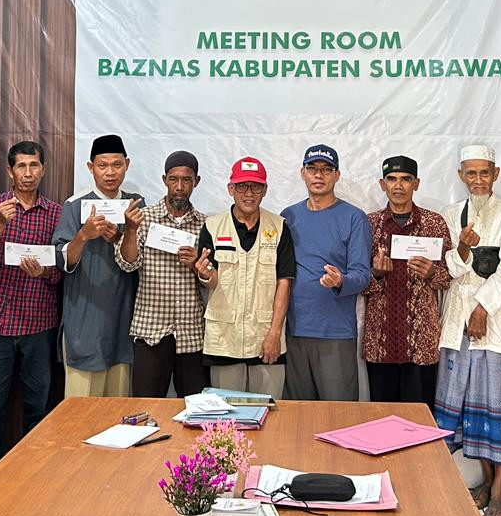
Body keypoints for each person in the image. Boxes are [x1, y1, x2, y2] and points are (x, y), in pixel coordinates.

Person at [433, 156, 501, 516]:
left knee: (496, 405)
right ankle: (485, 482)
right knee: (470, 404)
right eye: (471, 173)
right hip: (458, 320)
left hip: (495, 320)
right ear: (461, 176)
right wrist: (463, 248)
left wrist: (483, 307)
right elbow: (451, 269)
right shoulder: (451, 213)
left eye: (485, 172)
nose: (478, 179)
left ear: (495, 174)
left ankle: (500, 490)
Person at [0, 140, 62, 466]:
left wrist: (44, 272)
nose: (28, 173)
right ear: (10, 171)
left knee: (39, 408)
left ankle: (34, 476)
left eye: (34, 165)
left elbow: (62, 269)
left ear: (43, 169)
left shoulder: (55, 213)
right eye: (21, 166)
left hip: (39, 325)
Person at [195, 157, 296, 397]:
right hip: (224, 341)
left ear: (265, 190)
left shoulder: (279, 227)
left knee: (269, 412)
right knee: (226, 414)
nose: (248, 193)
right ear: (231, 189)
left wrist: (274, 334)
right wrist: (205, 275)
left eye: (256, 186)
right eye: (241, 186)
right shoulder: (212, 226)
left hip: (266, 340)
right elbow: (211, 279)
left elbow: (284, 283)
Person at [279, 144, 371, 401]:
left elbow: (362, 275)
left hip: (335, 332)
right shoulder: (288, 216)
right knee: (298, 413)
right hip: (295, 330)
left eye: (326, 169)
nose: (318, 175)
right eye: (312, 168)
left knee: (338, 413)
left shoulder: (354, 218)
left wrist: (341, 280)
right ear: (303, 173)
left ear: (337, 175)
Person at [53, 134, 142, 397]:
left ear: (127, 165)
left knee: (118, 407)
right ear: (91, 168)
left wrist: (122, 235)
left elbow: (138, 260)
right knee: (81, 410)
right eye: (102, 165)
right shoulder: (75, 205)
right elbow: (62, 260)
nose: (110, 172)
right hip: (85, 320)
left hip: (123, 320)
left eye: (116, 165)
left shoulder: (135, 205)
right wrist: (83, 235)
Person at [117, 150, 209, 397]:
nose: (179, 186)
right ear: (164, 180)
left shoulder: (205, 224)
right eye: (173, 179)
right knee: (146, 407)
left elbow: (210, 278)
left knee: (196, 409)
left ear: (196, 181)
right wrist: (130, 231)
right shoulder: (144, 219)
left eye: (186, 180)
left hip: (192, 332)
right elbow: (127, 264)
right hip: (151, 329)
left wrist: (195, 265)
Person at [363, 155, 452, 408]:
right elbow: (358, 281)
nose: (398, 185)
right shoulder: (369, 225)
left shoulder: (434, 223)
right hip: (380, 340)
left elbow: (449, 277)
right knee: (382, 416)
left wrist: (432, 273)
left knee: (420, 417)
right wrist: (376, 274)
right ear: (383, 184)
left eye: (406, 179)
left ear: (417, 183)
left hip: (421, 341)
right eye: (392, 179)